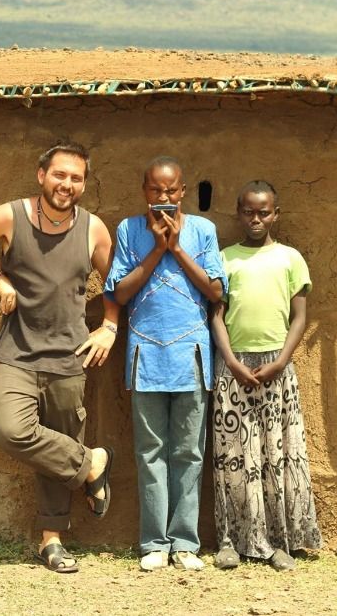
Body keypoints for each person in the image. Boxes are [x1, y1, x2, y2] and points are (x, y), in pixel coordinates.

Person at [0, 142, 120, 574]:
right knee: (11, 429)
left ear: (83, 183)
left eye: (76, 178)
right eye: (60, 175)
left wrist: (110, 326)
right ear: (42, 175)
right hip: (16, 353)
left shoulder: (93, 228)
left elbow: (115, 282)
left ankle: (51, 541)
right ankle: (90, 462)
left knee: (52, 450)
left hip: (69, 356)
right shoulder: (12, 216)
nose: (67, 184)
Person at [105, 156, 225, 572]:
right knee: (149, 451)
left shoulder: (204, 231)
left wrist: (176, 247)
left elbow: (214, 292)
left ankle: (185, 543)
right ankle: (154, 542)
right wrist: (158, 249)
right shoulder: (128, 230)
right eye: (156, 190)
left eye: (171, 190)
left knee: (189, 452)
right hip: (145, 357)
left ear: (184, 190)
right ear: (144, 191)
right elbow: (119, 294)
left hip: (191, 355)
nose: (164, 198)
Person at [209, 180, 322, 571]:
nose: (256, 220)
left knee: (277, 454)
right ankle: (230, 540)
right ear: (238, 213)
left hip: (278, 367)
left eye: (264, 212)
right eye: (248, 212)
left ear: (276, 214)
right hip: (233, 366)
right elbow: (216, 317)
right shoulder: (224, 259)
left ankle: (278, 541)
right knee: (232, 456)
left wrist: (280, 362)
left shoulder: (291, 258)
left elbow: (300, 317)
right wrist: (232, 362)